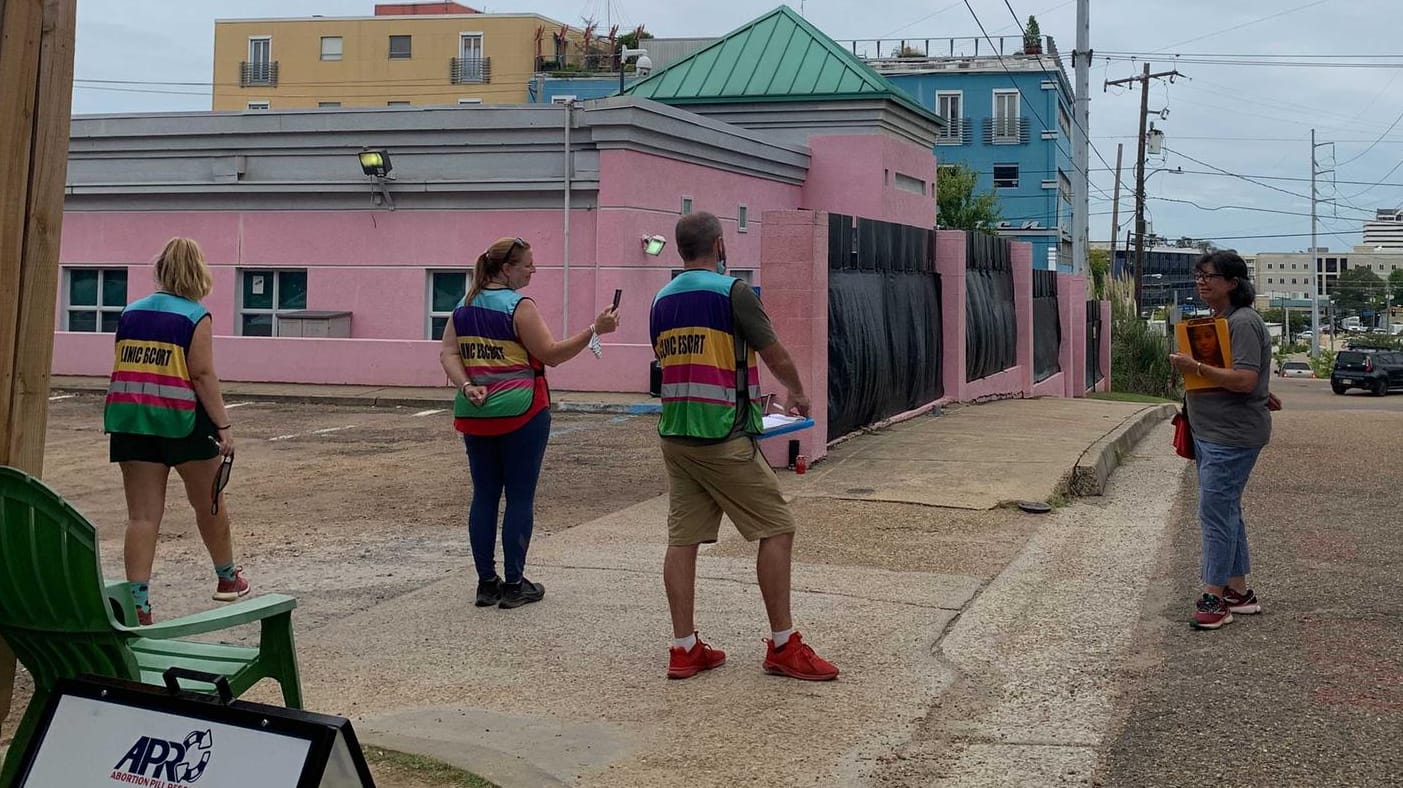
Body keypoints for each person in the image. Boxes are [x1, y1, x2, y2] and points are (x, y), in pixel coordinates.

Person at [649, 212, 839, 681]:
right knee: (777, 527)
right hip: (723, 436)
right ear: (718, 245)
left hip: (677, 433)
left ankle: (684, 647)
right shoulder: (732, 292)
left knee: (683, 540)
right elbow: (771, 350)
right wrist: (796, 391)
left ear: (678, 249)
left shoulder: (661, 299)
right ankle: (782, 644)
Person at [439, 236, 619, 609]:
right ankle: (516, 584)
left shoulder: (464, 304)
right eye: (528, 265)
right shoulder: (519, 307)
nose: (534, 270)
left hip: (475, 413)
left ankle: (487, 584)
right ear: (507, 269)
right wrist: (595, 330)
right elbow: (551, 355)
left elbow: (448, 352)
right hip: (523, 412)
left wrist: (467, 385)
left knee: (484, 496)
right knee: (519, 496)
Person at [104, 238, 248, 626]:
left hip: (132, 421)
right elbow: (201, 374)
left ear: (161, 270)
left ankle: (139, 604)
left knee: (142, 517)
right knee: (210, 502)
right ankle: (227, 578)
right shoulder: (194, 316)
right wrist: (224, 426)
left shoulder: (130, 312)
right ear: (198, 273)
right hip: (183, 422)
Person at [1169, 250, 1282, 630]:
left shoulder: (1244, 321)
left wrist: (1194, 367)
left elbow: (1245, 379)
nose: (1202, 282)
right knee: (1226, 510)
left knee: (1214, 514)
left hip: (1229, 437)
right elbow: (1245, 377)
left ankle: (1213, 597)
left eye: (1210, 276)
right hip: (1210, 431)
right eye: (1199, 276)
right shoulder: (1220, 320)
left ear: (1232, 283)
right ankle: (1238, 590)